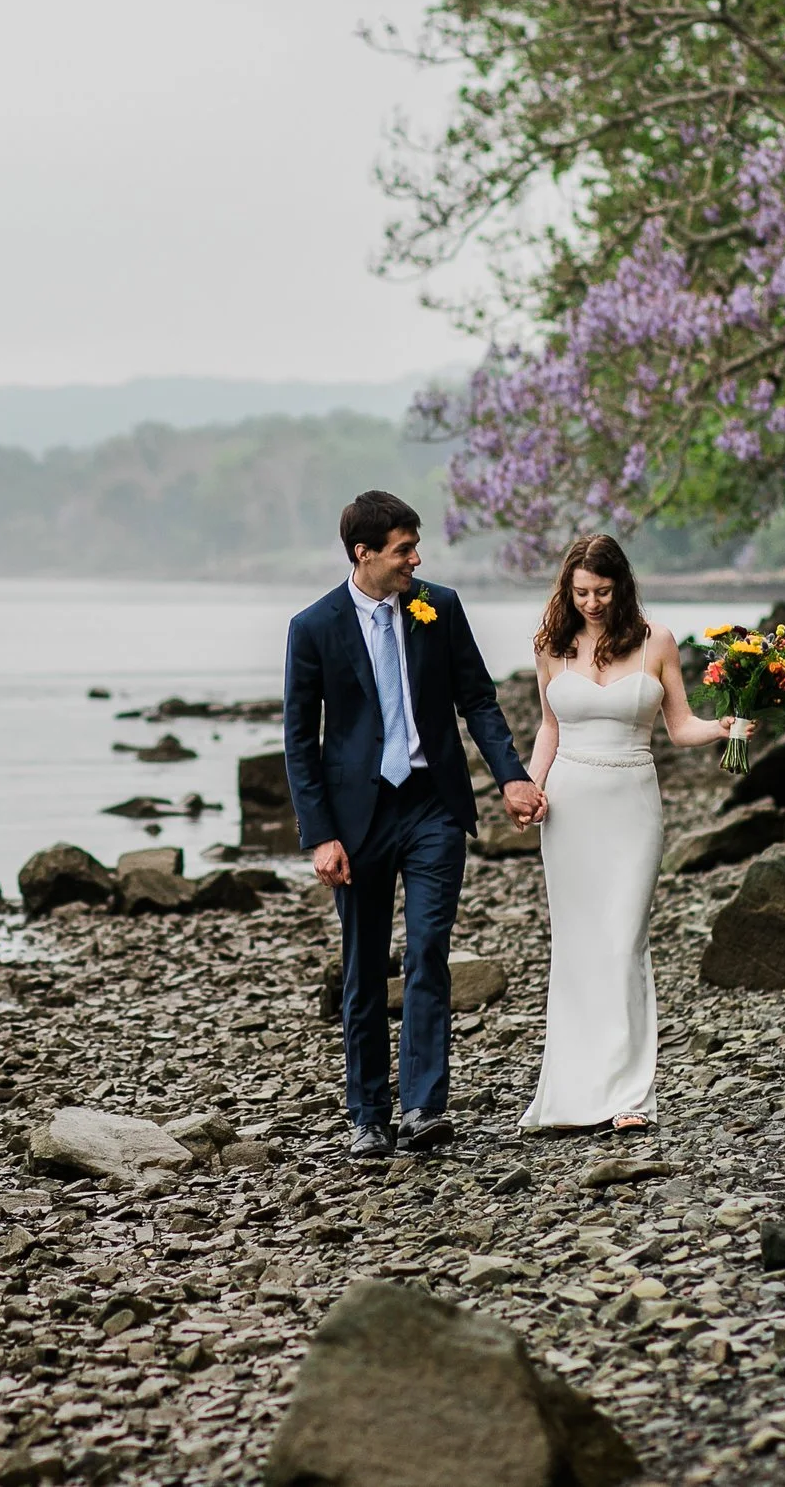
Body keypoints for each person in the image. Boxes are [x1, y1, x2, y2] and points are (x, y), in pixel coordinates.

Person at [282, 490, 545, 1161]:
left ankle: (424, 1105)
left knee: (429, 948)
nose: (416, 559)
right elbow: (299, 742)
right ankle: (367, 1113)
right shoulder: (312, 627)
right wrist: (320, 834)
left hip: (432, 805)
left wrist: (512, 775)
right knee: (365, 966)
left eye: (415, 547)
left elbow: (478, 700)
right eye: (403, 549)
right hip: (357, 820)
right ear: (362, 553)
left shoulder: (439, 606)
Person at [518, 534, 738, 1133]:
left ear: (622, 587)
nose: (591, 602)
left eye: (603, 591)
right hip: (570, 806)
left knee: (624, 942)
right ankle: (572, 1092)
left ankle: (628, 1096)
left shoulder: (656, 642)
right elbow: (548, 728)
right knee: (578, 947)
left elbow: (680, 726)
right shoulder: (552, 647)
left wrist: (723, 726)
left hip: (633, 802)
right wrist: (531, 787)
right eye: (581, 591)